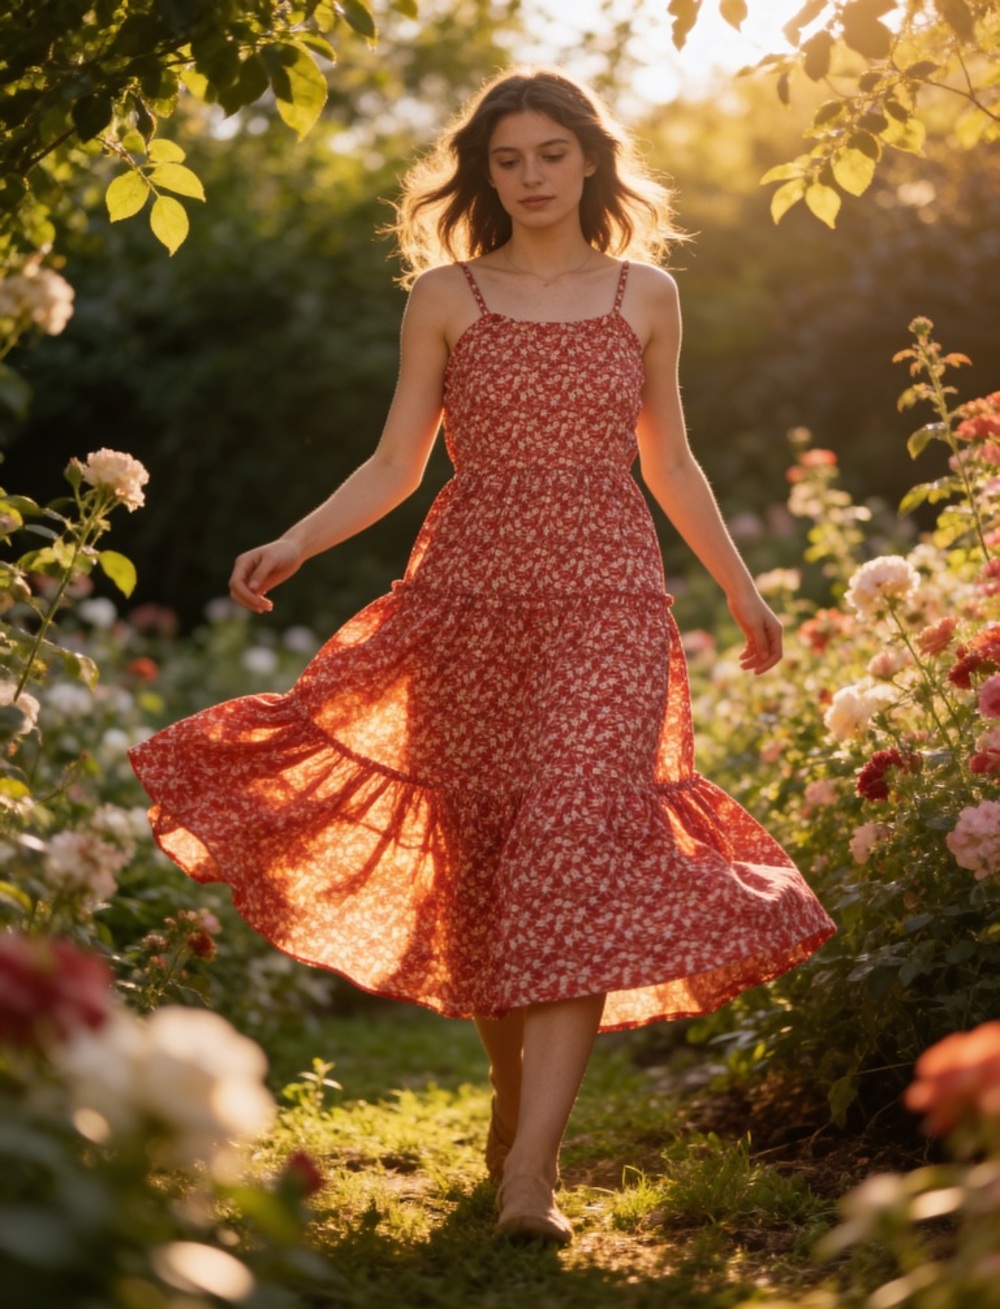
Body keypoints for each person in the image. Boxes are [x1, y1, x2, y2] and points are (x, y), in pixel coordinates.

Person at [129, 68, 835, 1248]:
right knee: (485, 866)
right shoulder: (445, 296)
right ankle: (514, 1101)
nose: (530, 177)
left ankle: (531, 1179)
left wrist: (739, 585)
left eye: (550, 154)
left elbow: (673, 462)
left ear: (589, 160)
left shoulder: (646, 293)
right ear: (482, 173)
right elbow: (398, 460)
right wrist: (299, 538)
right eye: (507, 160)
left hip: (610, 600)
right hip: (466, 599)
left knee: (576, 844)